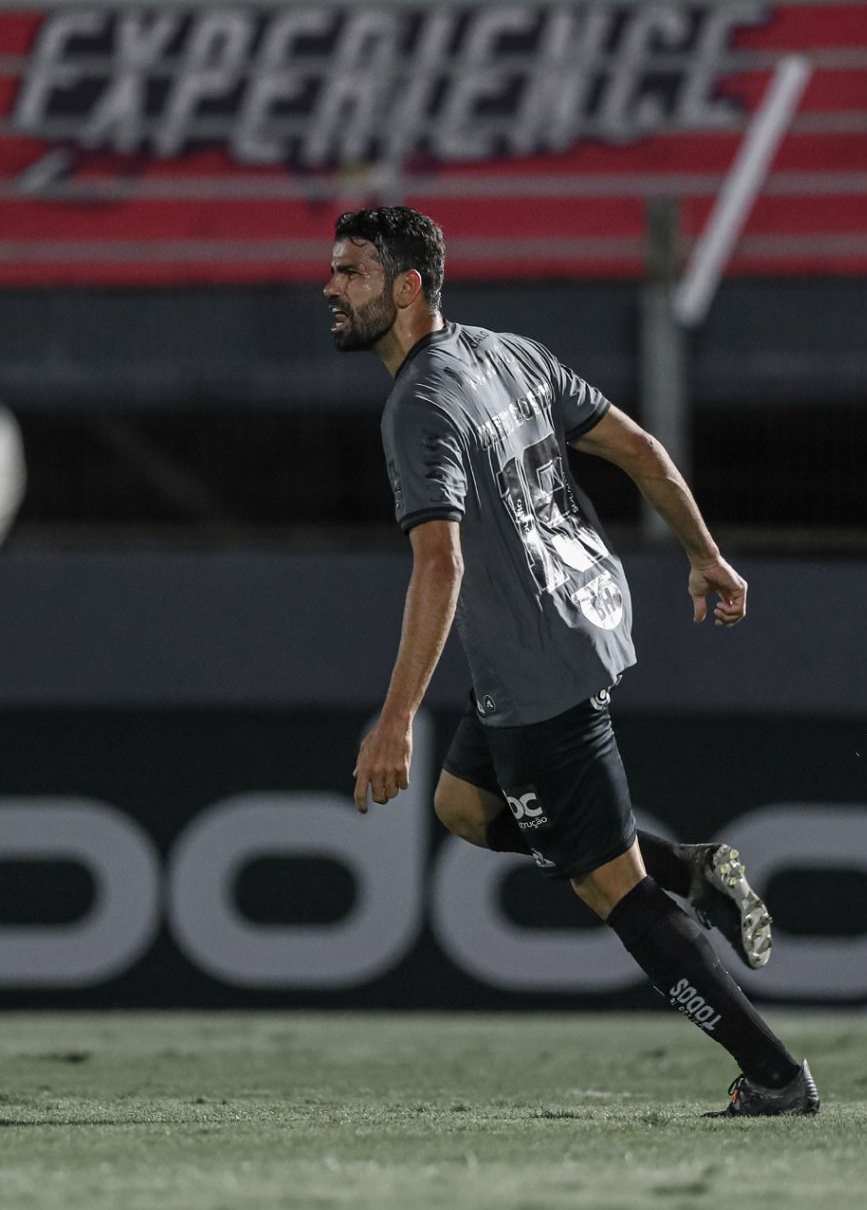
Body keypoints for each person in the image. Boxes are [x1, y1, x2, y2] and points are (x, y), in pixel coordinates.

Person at [325, 205, 819, 1118]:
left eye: (351, 272)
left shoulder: (419, 407)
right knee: (464, 809)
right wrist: (704, 554)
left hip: (538, 667)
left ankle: (777, 1075)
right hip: (579, 620)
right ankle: (689, 867)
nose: (330, 287)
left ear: (407, 288)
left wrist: (394, 720)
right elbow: (637, 448)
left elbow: (442, 563)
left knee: (612, 889)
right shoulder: (509, 353)